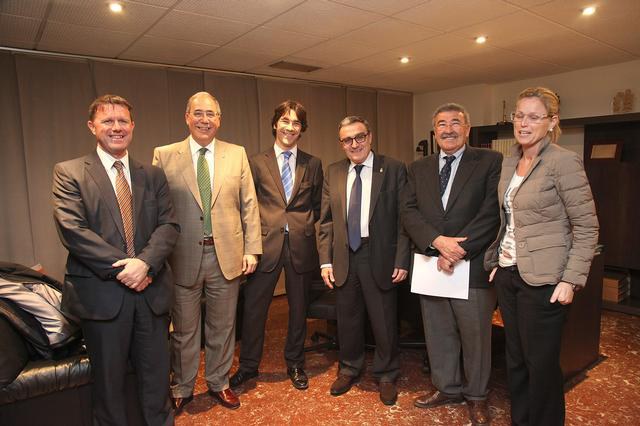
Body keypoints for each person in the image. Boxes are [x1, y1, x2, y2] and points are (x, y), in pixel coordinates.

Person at [53, 94, 179, 425]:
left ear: (133, 126)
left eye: (123, 120)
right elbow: (73, 231)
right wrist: (129, 267)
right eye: (107, 121)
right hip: (102, 298)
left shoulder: (152, 175)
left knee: (157, 384)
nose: (116, 127)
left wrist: (145, 263)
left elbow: (168, 225)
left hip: (151, 293)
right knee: (109, 390)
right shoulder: (69, 173)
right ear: (92, 126)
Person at [484, 87, 599, 426]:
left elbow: (587, 227)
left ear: (552, 122)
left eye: (534, 117)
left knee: (542, 366)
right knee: (516, 360)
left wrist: (570, 280)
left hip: (546, 281)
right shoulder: (509, 162)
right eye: (519, 115)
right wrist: (498, 261)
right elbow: (507, 219)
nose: (523, 123)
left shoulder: (563, 162)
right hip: (509, 275)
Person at [152, 91, 262, 412]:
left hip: (226, 255)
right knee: (184, 330)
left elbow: (249, 204)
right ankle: (182, 386)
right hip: (181, 257)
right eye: (198, 113)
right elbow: (156, 209)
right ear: (187, 117)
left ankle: (219, 382)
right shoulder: (164, 155)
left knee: (223, 327)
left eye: (210, 114)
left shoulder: (236, 154)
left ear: (219, 119)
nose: (204, 120)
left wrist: (252, 249)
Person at [402, 103, 502, 425]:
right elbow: (408, 211)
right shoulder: (418, 168)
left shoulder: (490, 161)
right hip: (432, 264)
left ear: (467, 129)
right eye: (442, 124)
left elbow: (492, 212)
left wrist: (458, 250)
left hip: (471, 265)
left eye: (455, 122)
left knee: (476, 337)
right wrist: (437, 242)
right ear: (434, 131)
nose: (448, 129)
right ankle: (447, 388)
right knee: (438, 332)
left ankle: (477, 396)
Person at [230, 100, 323, 390]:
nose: (290, 127)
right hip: (264, 246)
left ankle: (295, 363)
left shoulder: (313, 164)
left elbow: (317, 206)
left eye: (296, 123)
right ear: (275, 124)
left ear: (302, 129)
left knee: (298, 310)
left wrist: (302, 226)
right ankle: (248, 366)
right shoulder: (256, 162)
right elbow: (247, 205)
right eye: (285, 121)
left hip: (301, 246)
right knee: (254, 310)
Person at [317, 115, 410, 406]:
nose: (354, 144)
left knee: (383, 320)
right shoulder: (333, 171)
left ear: (370, 137)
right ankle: (349, 368)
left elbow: (403, 219)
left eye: (359, 137)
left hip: (378, 254)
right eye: (347, 139)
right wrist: (325, 261)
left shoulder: (393, 168)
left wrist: (402, 259)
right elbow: (326, 222)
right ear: (341, 144)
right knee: (348, 319)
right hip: (344, 256)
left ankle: (386, 373)